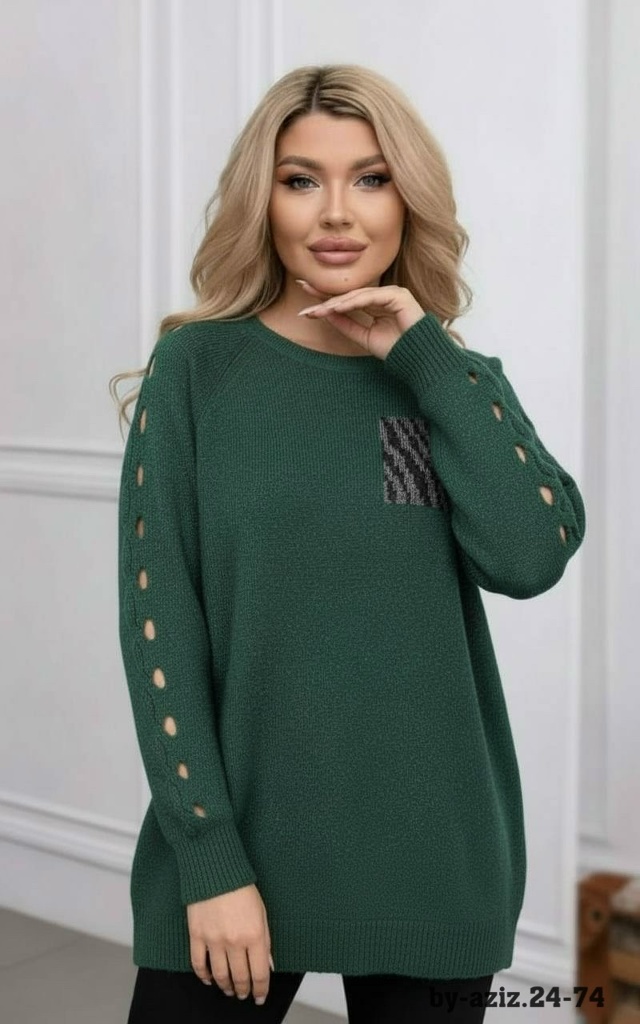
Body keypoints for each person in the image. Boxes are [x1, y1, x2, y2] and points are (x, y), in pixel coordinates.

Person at [110, 63, 586, 1023]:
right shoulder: (197, 370)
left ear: (409, 201)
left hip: (433, 860)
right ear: (264, 200)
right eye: (301, 180)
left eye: (371, 178)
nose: (336, 212)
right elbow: (160, 632)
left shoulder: (445, 378)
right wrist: (209, 859)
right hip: (239, 854)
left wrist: (424, 358)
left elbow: (532, 555)